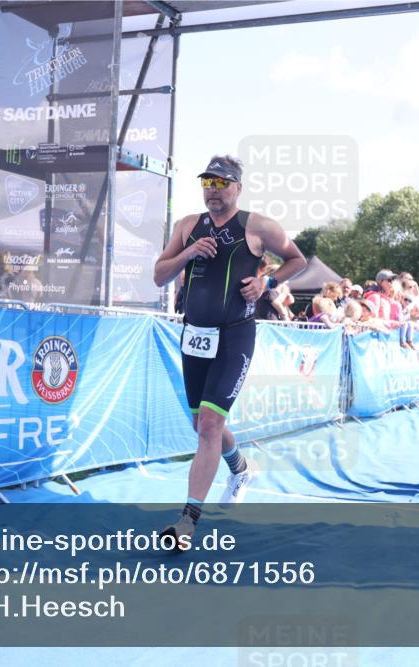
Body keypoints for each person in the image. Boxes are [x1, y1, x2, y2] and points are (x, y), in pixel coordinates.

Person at [152, 155, 306, 547]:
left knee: (208, 425)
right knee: (203, 425)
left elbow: (297, 259)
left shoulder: (258, 226)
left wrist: (266, 282)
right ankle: (240, 469)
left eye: (221, 184)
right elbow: (159, 275)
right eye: (207, 183)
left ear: (237, 187)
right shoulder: (187, 226)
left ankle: (187, 523)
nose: (213, 190)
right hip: (195, 335)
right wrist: (187, 253)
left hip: (235, 336)